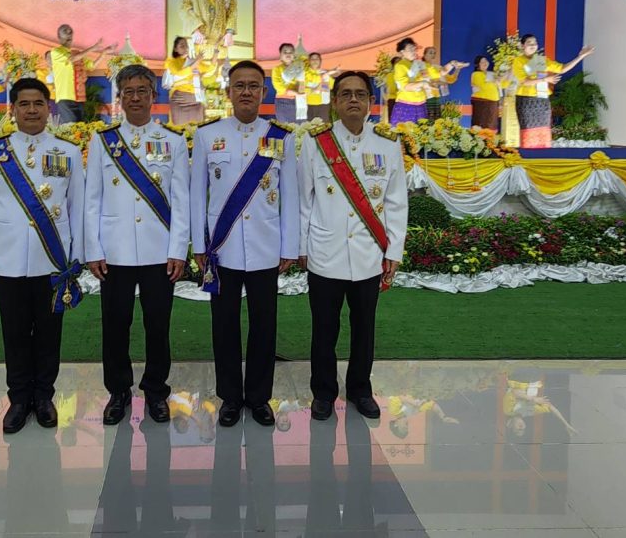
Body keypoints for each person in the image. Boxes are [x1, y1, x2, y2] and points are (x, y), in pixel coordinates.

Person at [0, 77, 85, 434]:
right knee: (15, 333)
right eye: (24, 104)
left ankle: (44, 397)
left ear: (49, 109)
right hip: (8, 261)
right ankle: (19, 399)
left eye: (38, 104)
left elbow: (77, 208)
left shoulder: (67, 151)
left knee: (50, 334)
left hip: (52, 260)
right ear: (13, 110)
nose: (32, 110)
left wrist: (76, 257)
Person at [190, 60, 299, 427]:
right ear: (228, 92)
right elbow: (197, 195)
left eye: (254, 85)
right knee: (224, 327)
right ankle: (230, 398)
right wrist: (199, 244)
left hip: (266, 247)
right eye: (240, 85)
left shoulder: (281, 137)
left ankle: (259, 397)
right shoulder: (207, 135)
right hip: (222, 251)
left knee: (264, 326)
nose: (247, 91)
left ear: (264, 92)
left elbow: (290, 196)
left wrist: (289, 246)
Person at [298, 71, 408, 421]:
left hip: (368, 254)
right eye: (345, 94)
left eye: (360, 94)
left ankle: (360, 389)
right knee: (324, 329)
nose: (353, 100)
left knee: (364, 328)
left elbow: (396, 202)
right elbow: (303, 201)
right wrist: (302, 247)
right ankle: (323, 392)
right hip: (325, 253)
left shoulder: (387, 144)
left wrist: (394, 251)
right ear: (334, 102)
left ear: (371, 102)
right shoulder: (316, 143)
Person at [85, 64, 190, 426]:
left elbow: (181, 201)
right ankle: (118, 391)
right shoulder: (103, 141)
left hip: (158, 251)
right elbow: (92, 200)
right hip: (114, 252)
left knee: (158, 326)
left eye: (141, 91)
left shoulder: (173, 141)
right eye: (127, 91)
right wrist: (94, 249)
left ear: (153, 96)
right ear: (119, 97)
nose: (134, 98)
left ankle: (156, 391)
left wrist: (178, 249)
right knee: (115, 326)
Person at [512, 34, 594, 148]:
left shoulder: (541, 60)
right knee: (529, 132)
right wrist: (545, 79)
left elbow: (562, 68)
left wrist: (580, 56)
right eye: (529, 43)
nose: (533, 45)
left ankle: (543, 155)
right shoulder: (518, 61)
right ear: (522, 46)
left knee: (543, 131)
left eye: (535, 43)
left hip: (542, 100)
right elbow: (524, 81)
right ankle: (529, 156)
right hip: (527, 100)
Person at [50, 24, 104, 124]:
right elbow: (72, 59)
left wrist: (104, 53)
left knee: (80, 128)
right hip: (65, 97)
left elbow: (92, 66)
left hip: (79, 98)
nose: (68, 34)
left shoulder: (77, 54)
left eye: (70, 32)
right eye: (65, 32)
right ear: (59, 37)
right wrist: (93, 48)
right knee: (70, 127)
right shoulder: (56, 52)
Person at [390, 37, 434, 125]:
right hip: (406, 105)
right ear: (402, 52)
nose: (414, 52)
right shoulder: (400, 66)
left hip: (421, 103)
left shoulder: (420, 64)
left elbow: (437, 74)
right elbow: (405, 86)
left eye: (415, 49)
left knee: (422, 130)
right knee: (404, 131)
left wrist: (452, 65)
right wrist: (422, 83)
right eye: (410, 49)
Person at [163, 36, 205, 125]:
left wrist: (216, 52)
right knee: (180, 127)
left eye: (186, 46)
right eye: (182, 46)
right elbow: (180, 74)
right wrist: (196, 62)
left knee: (197, 127)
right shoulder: (171, 62)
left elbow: (209, 69)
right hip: (180, 99)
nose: (185, 48)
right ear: (175, 49)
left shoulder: (192, 61)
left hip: (195, 100)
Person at [422, 46, 468, 120]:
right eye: (430, 53)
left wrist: (458, 69)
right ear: (424, 55)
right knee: (424, 120)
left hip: (436, 97)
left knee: (435, 121)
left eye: (434, 53)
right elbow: (425, 81)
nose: (433, 55)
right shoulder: (421, 66)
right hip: (424, 97)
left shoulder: (438, 67)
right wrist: (439, 82)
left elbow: (451, 79)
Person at [271, 42, 305, 122]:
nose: (288, 54)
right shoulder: (277, 69)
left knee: (301, 125)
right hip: (283, 100)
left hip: (299, 100)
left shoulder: (299, 67)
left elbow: (303, 83)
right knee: (286, 126)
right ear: (280, 56)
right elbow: (278, 87)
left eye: (291, 52)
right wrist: (294, 93)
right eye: (285, 52)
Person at [470, 55, 501, 131]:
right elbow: (484, 86)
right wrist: (495, 82)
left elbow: (500, 85)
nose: (485, 63)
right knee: (481, 124)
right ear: (478, 65)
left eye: (486, 61)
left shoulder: (492, 74)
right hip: (482, 102)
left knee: (491, 124)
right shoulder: (476, 74)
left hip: (493, 102)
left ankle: (490, 138)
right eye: (482, 62)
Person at [304, 52, 339, 123]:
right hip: (308, 104)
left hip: (323, 104)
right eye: (312, 59)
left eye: (317, 59)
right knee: (309, 127)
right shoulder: (304, 74)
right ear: (309, 61)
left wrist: (326, 78)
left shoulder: (324, 73)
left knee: (323, 127)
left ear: (320, 61)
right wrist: (314, 89)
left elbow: (330, 86)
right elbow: (301, 90)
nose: (315, 61)